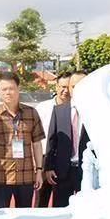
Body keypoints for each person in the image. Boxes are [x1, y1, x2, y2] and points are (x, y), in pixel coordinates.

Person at [0, 72, 45, 208]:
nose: (8, 92)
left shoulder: (31, 113)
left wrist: (39, 171)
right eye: (4, 89)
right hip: (1, 178)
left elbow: (37, 144)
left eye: (11, 88)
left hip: (26, 177)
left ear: (18, 88)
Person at [45, 72, 90, 207]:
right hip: (63, 170)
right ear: (69, 88)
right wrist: (49, 167)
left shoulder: (96, 110)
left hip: (87, 171)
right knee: (61, 210)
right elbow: (52, 140)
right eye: (74, 86)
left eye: (81, 85)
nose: (77, 89)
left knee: (88, 209)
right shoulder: (59, 110)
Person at [35, 72, 71, 207]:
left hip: (65, 161)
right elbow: (34, 136)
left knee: (61, 202)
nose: (65, 90)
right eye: (62, 86)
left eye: (68, 87)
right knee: (41, 200)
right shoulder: (42, 107)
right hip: (44, 158)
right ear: (56, 87)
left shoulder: (75, 108)